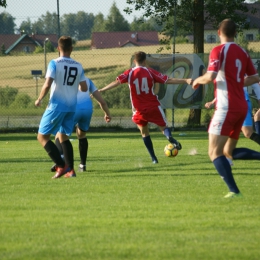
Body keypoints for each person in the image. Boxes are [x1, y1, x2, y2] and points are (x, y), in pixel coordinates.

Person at [192, 19, 260, 198]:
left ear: (218, 32)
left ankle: (234, 191)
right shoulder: (243, 52)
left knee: (214, 152)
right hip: (240, 106)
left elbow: (211, 75)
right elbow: (254, 77)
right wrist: (237, 83)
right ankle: (234, 190)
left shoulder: (218, 50)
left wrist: (197, 80)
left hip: (226, 106)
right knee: (227, 152)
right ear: (235, 33)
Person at [98, 51, 193, 163]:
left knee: (144, 133)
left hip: (139, 109)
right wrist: (185, 80)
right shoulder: (150, 71)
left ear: (134, 61)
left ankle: (153, 158)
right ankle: (170, 138)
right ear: (145, 61)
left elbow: (117, 82)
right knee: (163, 127)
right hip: (153, 105)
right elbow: (167, 80)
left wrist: (102, 90)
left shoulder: (129, 73)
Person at [35, 35, 88, 179]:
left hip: (57, 105)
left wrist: (39, 98)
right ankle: (70, 170)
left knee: (42, 136)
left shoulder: (54, 63)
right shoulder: (78, 65)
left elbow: (47, 84)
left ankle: (61, 165)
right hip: (71, 106)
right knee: (63, 136)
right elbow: (83, 88)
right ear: (71, 49)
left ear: (58, 48)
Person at [51, 77, 111, 172]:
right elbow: (102, 102)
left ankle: (61, 159)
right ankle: (82, 165)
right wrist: (107, 113)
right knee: (81, 135)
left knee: (59, 134)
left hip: (73, 108)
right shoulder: (87, 80)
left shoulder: (64, 79)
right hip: (87, 110)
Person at [205, 83, 260, 150]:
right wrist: (212, 102)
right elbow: (225, 90)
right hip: (231, 103)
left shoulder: (239, 75)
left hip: (240, 102)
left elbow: (254, 82)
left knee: (248, 132)